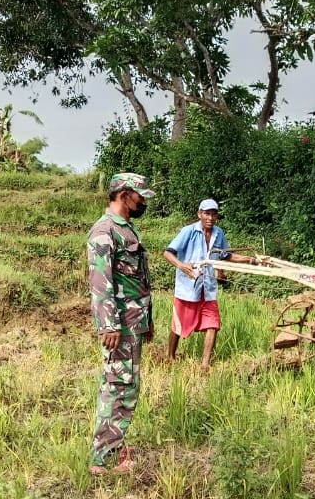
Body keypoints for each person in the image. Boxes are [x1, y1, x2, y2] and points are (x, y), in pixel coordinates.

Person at [86, 172, 156, 476]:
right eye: (139, 195)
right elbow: (101, 282)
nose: (142, 201)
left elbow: (138, 281)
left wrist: (147, 321)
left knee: (126, 386)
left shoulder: (126, 229)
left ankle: (112, 448)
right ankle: (104, 457)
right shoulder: (105, 231)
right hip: (120, 326)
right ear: (124, 193)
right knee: (117, 386)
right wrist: (109, 325)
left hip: (132, 323)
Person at [161, 198, 254, 370]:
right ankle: (170, 356)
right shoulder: (188, 231)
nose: (210, 217)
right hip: (188, 287)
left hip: (208, 288)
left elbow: (226, 256)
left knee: (213, 324)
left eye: (214, 214)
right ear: (200, 214)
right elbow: (167, 253)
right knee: (179, 325)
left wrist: (249, 260)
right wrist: (182, 265)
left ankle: (205, 365)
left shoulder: (219, 233)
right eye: (207, 213)